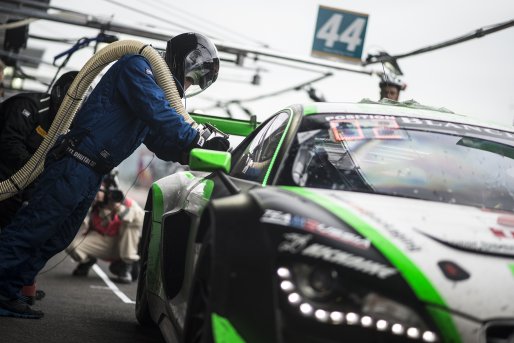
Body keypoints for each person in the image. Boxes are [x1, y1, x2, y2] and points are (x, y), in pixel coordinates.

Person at [0, 32, 229, 319]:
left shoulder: (153, 88)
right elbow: (159, 112)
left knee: (56, 237)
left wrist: (189, 152)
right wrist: (197, 137)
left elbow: (159, 137)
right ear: (184, 62)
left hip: (90, 171)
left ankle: (8, 290)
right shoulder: (138, 66)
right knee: (33, 229)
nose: (187, 85)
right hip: (75, 163)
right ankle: (3, 289)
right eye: (190, 78)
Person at [0, 71, 79, 307]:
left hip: (22, 183)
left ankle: (18, 284)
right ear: (59, 95)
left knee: (28, 227)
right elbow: (9, 143)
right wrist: (37, 173)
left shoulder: (64, 126)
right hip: (5, 175)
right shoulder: (27, 106)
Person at [66, 172, 144, 284]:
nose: (98, 193)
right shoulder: (94, 203)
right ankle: (88, 261)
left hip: (123, 244)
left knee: (130, 225)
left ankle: (126, 265)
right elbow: (83, 220)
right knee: (73, 248)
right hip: (103, 242)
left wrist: (118, 209)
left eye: (100, 190)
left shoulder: (125, 202)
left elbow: (141, 220)